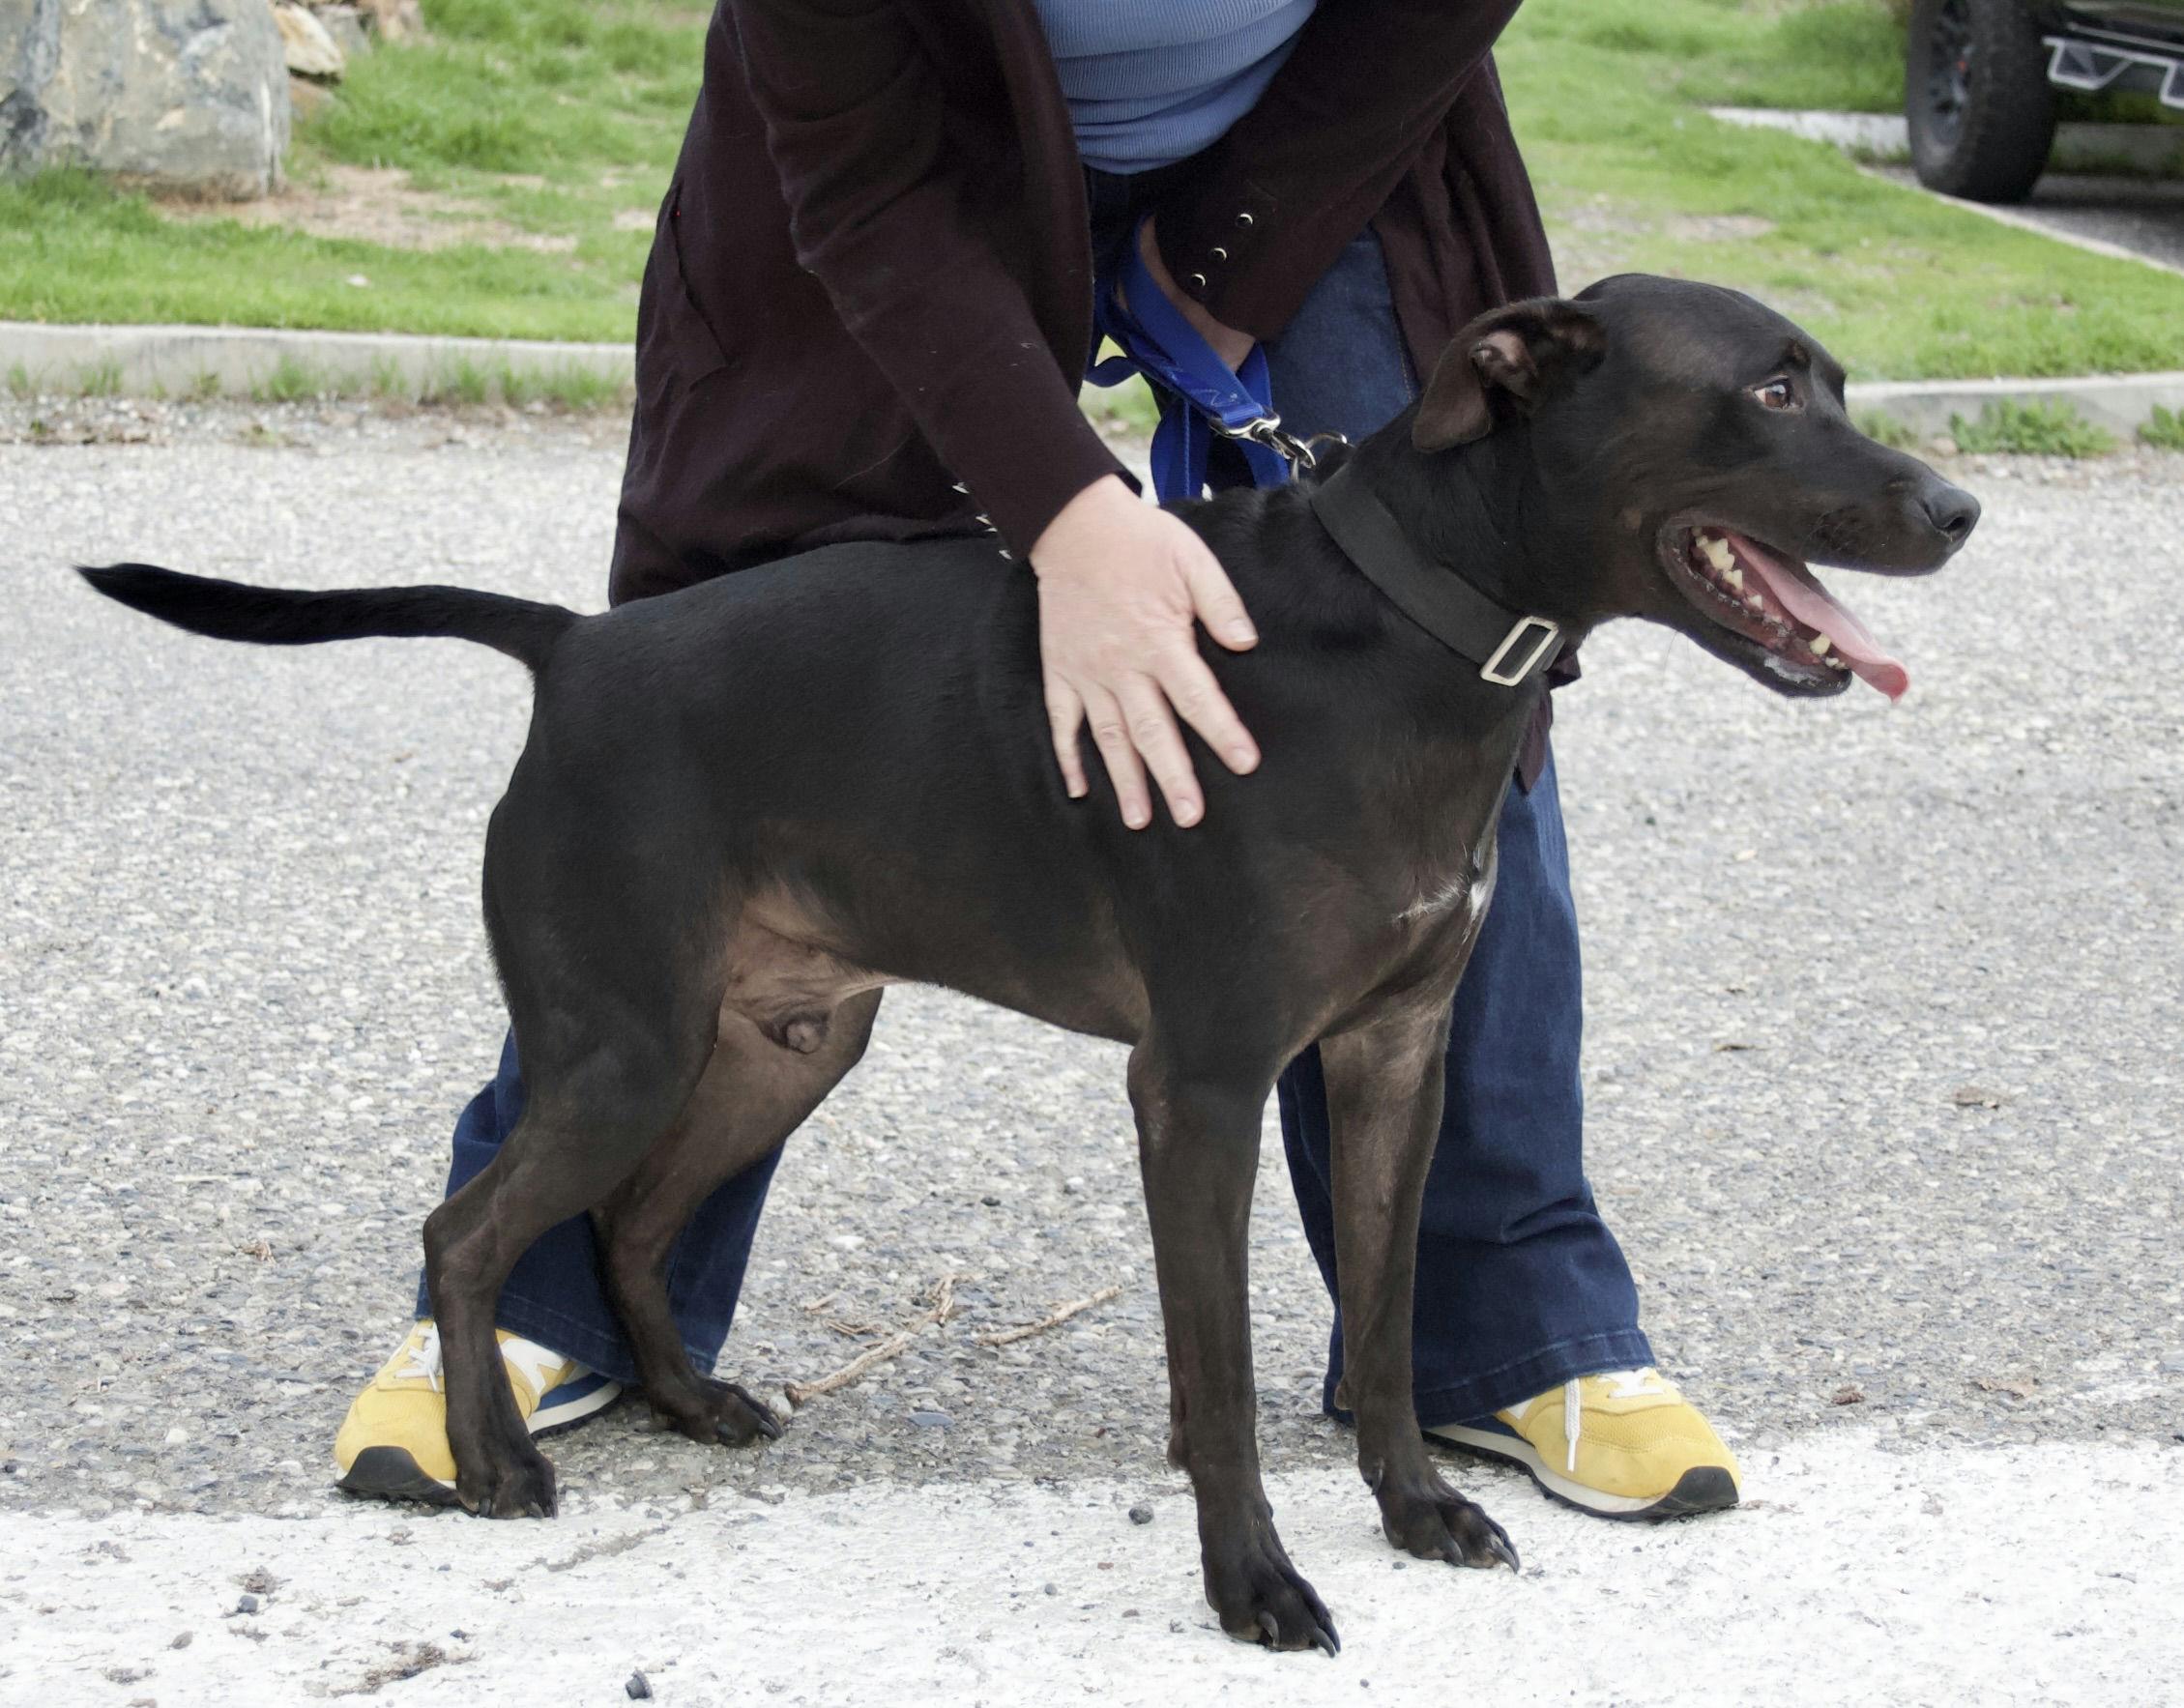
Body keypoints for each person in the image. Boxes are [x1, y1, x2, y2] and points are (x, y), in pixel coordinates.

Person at [335, 0, 1739, 1521]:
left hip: (1332, 130)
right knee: (718, 674)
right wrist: (1069, 523)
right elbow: (866, 194)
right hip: (907, 134)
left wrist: (1222, 266)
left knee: (1453, 637)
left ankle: (1505, 1323)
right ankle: (537, 1292)